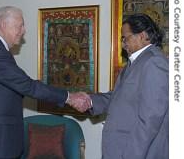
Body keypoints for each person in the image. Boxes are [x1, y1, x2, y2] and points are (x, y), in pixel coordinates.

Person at [0, 6, 91, 159]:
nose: (23, 30)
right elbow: (27, 85)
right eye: (19, 25)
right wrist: (69, 97)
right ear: (3, 24)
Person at [70, 13, 169, 159]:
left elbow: (150, 120)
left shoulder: (154, 63)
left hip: (135, 152)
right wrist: (90, 101)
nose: (123, 43)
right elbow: (117, 97)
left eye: (125, 38)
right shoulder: (135, 62)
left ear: (141, 36)